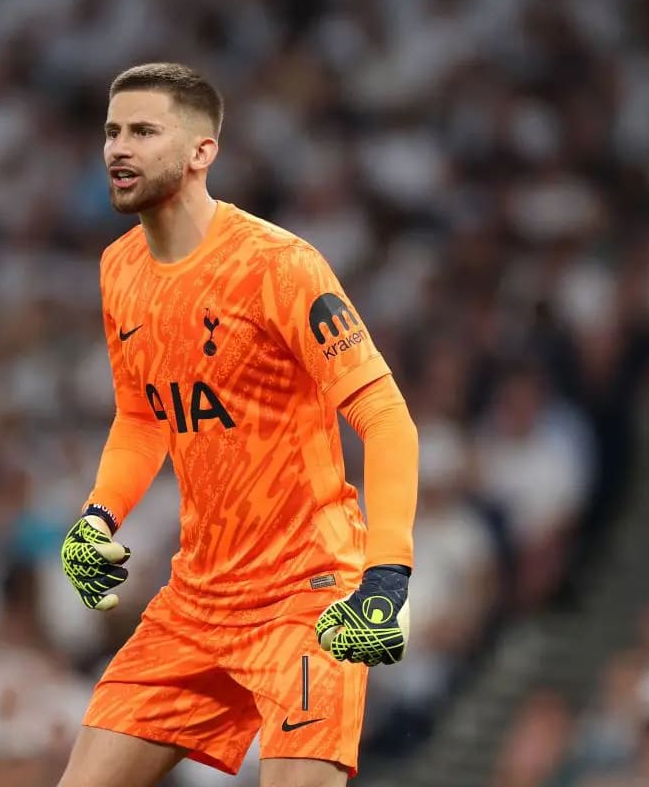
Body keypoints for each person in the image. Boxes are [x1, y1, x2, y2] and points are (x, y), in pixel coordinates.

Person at [59, 62, 419, 787]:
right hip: (195, 599)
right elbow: (140, 418)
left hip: (305, 595)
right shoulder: (118, 269)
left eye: (143, 131)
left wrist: (387, 576)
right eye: (112, 131)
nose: (118, 148)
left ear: (201, 153)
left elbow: (385, 417)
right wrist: (100, 515)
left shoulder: (278, 266)